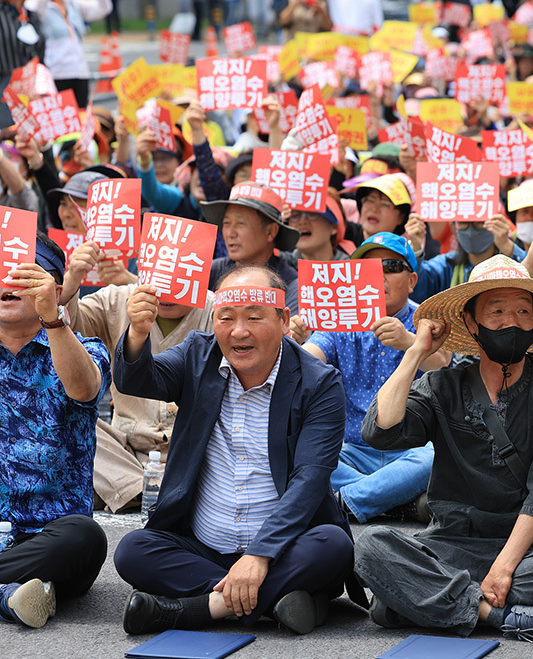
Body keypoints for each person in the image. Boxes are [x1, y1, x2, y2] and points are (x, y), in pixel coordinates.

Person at [354, 254, 533, 642]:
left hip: (529, 549)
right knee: (369, 546)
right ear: (471, 322)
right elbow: (381, 431)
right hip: (450, 543)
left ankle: (422, 601)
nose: (512, 321)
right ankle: (498, 615)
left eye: (524, 310)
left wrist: (504, 567)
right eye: (497, 310)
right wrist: (415, 352)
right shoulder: (442, 385)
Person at [112, 265, 353, 635]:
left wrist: (259, 555)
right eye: (226, 318)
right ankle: (276, 601)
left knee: (333, 545)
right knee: (133, 550)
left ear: (284, 320)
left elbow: (309, 480)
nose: (239, 332)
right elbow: (137, 378)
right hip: (203, 544)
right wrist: (138, 334)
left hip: (283, 549)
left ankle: (198, 609)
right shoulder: (197, 355)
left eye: (254, 317)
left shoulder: (319, 384)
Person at [0, 234, 110, 628]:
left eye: (25, 273)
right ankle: (11, 596)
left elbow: (83, 389)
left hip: (56, 539)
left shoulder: (86, 348)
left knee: (86, 537)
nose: (8, 281)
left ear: (55, 289)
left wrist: (53, 319)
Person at [58, 239, 214, 513]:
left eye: (179, 278)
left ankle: (128, 491)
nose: (166, 290)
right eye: (159, 275)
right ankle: (143, 490)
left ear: (198, 274)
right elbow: (68, 333)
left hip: (191, 454)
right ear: (142, 268)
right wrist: (71, 280)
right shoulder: (115, 298)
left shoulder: (218, 310)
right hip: (124, 450)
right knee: (69, 419)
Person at [297, 233, 445, 522]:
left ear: (412, 280)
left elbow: (444, 365)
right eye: (368, 269)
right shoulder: (339, 319)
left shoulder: (425, 319)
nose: (379, 277)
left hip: (411, 452)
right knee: (301, 451)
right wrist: (293, 340)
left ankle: (349, 501)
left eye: (390, 267)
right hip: (349, 450)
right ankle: (393, 500)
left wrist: (410, 342)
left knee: (435, 458)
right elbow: (306, 363)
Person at [24, 0, 112, 107]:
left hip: (80, 72)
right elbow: (35, 7)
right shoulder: (36, 6)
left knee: (80, 119)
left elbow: (104, 8)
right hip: (55, 74)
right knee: (61, 122)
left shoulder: (72, 3)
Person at [200, 183, 301, 311]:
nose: (230, 233)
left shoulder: (290, 284)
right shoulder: (211, 272)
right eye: (226, 223)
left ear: (270, 231)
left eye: (240, 224)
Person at [0, 0, 38, 129]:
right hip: (4, 86)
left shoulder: (31, 13)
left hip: (32, 86)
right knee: (8, 137)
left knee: (33, 136)